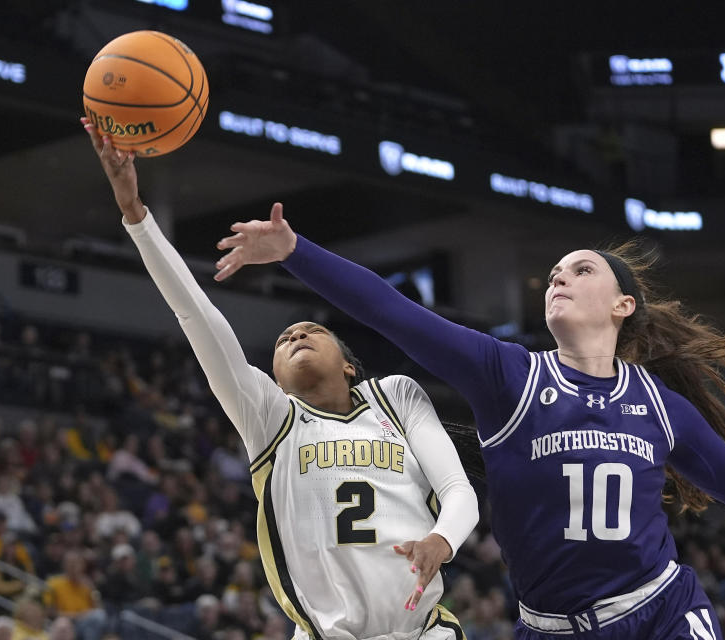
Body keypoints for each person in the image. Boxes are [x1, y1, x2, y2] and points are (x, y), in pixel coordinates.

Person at [213, 201, 725, 640]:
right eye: (555, 271)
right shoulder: (509, 377)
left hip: (660, 610)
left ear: (623, 306)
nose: (561, 275)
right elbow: (395, 314)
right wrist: (296, 253)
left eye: (581, 270)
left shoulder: (660, 405)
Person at [81, 120, 478, 640]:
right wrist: (135, 212)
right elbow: (194, 314)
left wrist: (441, 542)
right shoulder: (271, 417)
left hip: (424, 631)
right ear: (273, 380)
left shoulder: (396, 396)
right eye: (284, 339)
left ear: (349, 366)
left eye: (312, 329)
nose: (296, 334)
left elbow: (458, 491)